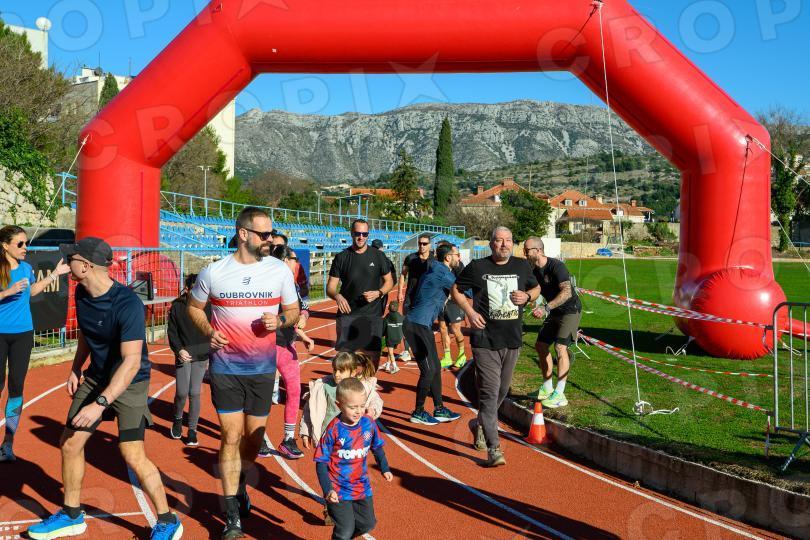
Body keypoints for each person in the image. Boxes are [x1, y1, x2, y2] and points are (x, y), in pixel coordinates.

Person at [27, 237, 182, 539]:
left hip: (130, 382)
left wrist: (99, 404)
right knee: (70, 443)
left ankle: (167, 520)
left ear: (85, 266)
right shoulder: (82, 292)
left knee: (132, 453)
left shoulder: (127, 304)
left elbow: (131, 362)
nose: (66, 262)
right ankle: (72, 515)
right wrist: (76, 367)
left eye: (70, 258)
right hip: (96, 376)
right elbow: (87, 333)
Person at [187, 207, 300, 539]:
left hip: (262, 369)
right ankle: (231, 514)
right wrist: (209, 331)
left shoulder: (279, 271)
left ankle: (238, 485)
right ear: (243, 234)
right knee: (230, 435)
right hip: (226, 368)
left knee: (253, 438)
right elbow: (193, 307)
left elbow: (293, 310)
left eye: (271, 234)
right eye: (264, 235)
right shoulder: (214, 272)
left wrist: (279, 321)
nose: (270, 240)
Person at [451, 227, 540, 467]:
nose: (504, 244)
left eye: (508, 240)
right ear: (491, 244)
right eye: (499, 240)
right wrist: (470, 312)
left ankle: (479, 423)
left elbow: (536, 288)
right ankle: (494, 449)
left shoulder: (522, 266)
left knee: (502, 390)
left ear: (513, 243)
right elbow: (456, 290)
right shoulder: (478, 267)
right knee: (490, 394)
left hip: (512, 340)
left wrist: (528, 297)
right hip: (485, 340)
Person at [0, 226, 69, 462]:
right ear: (5, 246)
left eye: (26, 243)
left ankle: (8, 443)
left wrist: (54, 274)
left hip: (23, 335)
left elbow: (32, 291)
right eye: (20, 244)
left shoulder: (27, 268)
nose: (25, 248)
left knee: (16, 387)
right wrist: (6, 292)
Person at [299, 352, 382, 526]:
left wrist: (372, 411)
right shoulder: (323, 386)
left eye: (341, 371)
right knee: (330, 476)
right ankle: (331, 505)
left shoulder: (360, 387)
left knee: (348, 474)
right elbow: (309, 409)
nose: (336, 374)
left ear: (353, 372)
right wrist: (305, 430)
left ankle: (349, 504)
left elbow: (375, 400)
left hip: (351, 443)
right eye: (335, 370)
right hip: (328, 441)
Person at [314, 377, 392, 540]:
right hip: (338, 488)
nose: (358, 411)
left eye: (362, 406)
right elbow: (321, 461)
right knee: (345, 529)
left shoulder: (368, 424)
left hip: (361, 486)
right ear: (339, 405)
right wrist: (328, 489)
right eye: (352, 407)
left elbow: (377, 447)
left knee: (368, 524)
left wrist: (384, 467)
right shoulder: (333, 429)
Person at [257, 244, 313, 460]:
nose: (297, 263)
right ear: (283, 260)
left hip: (287, 345)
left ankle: (288, 438)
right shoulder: (267, 283)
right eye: (293, 259)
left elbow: (302, 308)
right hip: (267, 344)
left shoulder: (293, 284)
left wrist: (303, 320)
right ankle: (258, 436)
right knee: (262, 392)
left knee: (294, 389)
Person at [403, 243, 462, 425]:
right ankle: (418, 411)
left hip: (422, 325)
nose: (459, 258)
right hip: (417, 325)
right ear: (448, 257)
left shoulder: (436, 268)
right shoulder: (443, 273)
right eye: (457, 255)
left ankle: (439, 408)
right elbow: (463, 291)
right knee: (428, 370)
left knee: (435, 367)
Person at [524, 237, 583, 409]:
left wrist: (546, 308)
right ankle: (547, 388)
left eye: (527, 250)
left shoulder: (556, 266)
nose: (524, 253)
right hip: (554, 311)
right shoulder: (533, 270)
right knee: (541, 345)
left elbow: (566, 292)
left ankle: (559, 394)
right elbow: (533, 290)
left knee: (560, 347)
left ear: (538, 250)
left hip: (570, 310)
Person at [327, 220, 394, 366]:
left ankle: (368, 380)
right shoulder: (341, 257)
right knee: (345, 360)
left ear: (368, 235)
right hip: (348, 314)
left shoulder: (378, 256)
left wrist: (379, 292)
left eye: (364, 234)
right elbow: (330, 287)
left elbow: (389, 281)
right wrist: (337, 296)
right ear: (352, 234)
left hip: (372, 314)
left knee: (372, 360)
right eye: (358, 233)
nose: (361, 237)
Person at [167, 274, 211, 446]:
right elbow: (172, 331)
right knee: (182, 392)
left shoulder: (209, 306)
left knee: (195, 392)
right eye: (195, 288)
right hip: (183, 354)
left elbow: (211, 331)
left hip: (201, 355)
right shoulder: (177, 307)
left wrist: (209, 353)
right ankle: (177, 419)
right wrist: (179, 350)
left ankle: (192, 430)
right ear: (187, 289)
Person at [372, 239, 411, 363]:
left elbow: (393, 279)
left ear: (381, 249)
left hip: (380, 294)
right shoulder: (369, 259)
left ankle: (376, 344)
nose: (376, 250)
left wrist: (383, 290)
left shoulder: (387, 262)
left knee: (376, 319)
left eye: (377, 248)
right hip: (373, 295)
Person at [436, 240, 467, 369]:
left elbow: (462, 285)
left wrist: (452, 294)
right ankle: (447, 356)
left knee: (455, 329)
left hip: (454, 302)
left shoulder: (458, 266)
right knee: (443, 328)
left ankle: (462, 355)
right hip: (441, 301)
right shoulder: (437, 265)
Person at [398, 233, 433, 313]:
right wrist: (400, 292)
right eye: (420, 243)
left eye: (424, 244)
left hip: (427, 296)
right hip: (411, 295)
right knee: (407, 317)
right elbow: (403, 274)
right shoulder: (410, 258)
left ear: (429, 245)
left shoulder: (434, 260)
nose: (422, 246)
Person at [381, 301, 404, 374]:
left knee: (391, 353)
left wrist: (381, 335)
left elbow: (383, 328)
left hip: (390, 338)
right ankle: (387, 366)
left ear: (389, 308)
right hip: (398, 337)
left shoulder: (387, 317)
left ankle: (395, 366)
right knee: (390, 351)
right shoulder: (401, 317)